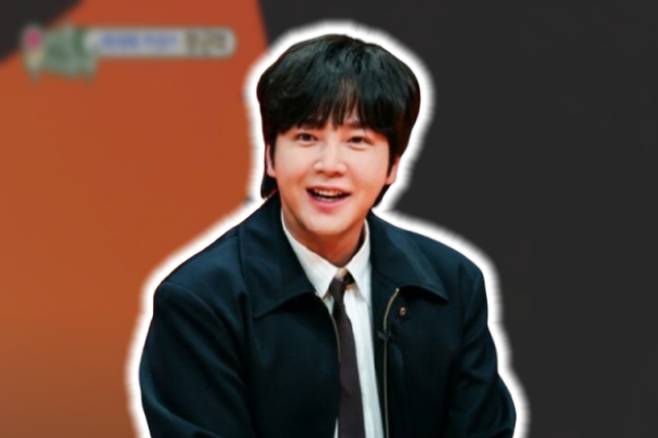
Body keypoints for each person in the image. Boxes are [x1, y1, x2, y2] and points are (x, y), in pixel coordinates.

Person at [139, 32, 516, 438]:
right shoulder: (200, 303)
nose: (330, 164)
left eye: (357, 140)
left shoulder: (451, 285)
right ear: (270, 156)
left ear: (392, 165)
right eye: (307, 137)